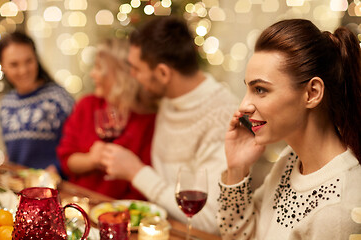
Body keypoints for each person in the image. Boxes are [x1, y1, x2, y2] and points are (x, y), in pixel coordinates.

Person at [217, 19, 361, 240]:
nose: (243, 106)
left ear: (312, 93)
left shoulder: (338, 210)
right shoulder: (291, 159)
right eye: (249, 88)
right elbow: (240, 235)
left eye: (261, 89)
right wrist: (237, 168)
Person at [100, 16, 239, 234]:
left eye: (136, 69)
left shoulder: (222, 117)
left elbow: (210, 220)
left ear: (163, 73)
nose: (133, 77)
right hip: (160, 228)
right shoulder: (168, 98)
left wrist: (136, 172)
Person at [57, 38, 157, 200]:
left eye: (98, 67)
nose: (92, 74)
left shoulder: (147, 120)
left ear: (120, 75)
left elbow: (143, 187)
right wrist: (91, 160)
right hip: (80, 203)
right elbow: (66, 161)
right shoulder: (86, 105)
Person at [0, 31, 74, 176]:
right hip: (19, 188)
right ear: (3, 67)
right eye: (14, 64)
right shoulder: (6, 104)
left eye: (29, 61)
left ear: (36, 59)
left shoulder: (58, 98)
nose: (23, 70)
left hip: (55, 189)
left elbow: (77, 145)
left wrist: (56, 169)